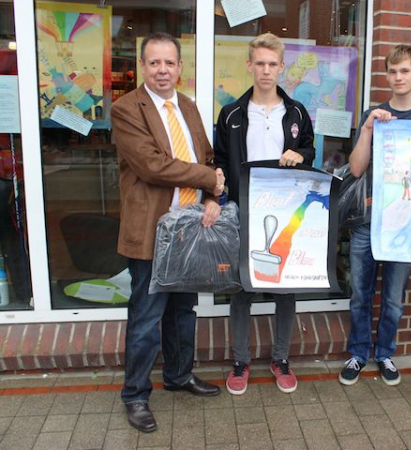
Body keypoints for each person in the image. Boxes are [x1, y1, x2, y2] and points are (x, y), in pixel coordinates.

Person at [111, 32, 225, 433]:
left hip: (189, 228)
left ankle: (178, 376)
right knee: (146, 317)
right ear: (143, 66)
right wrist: (208, 178)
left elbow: (207, 157)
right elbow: (152, 165)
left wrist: (213, 196)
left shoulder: (188, 106)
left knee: (183, 311)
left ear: (180, 67)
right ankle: (135, 395)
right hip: (152, 231)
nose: (162, 70)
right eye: (155, 62)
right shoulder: (126, 109)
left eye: (169, 63)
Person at [214, 33, 315, 395]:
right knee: (242, 288)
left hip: (284, 213)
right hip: (245, 211)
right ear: (249, 66)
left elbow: (309, 151)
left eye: (273, 64)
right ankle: (241, 361)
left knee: (284, 289)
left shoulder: (297, 112)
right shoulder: (231, 114)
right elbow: (220, 160)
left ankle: (280, 358)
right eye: (260, 63)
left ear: (282, 67)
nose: (266, 70)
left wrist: (300, 155)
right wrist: (220, 191)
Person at [339, 45, 411, 387]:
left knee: (394, 299)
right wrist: (368, 128)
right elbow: (356, 168)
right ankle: (358, 353)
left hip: (406, 224)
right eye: (393, 71)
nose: (398, 77)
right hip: (368, 222)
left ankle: (384, 353)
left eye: (405, 71)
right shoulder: (374, 114)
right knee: (360, 294)